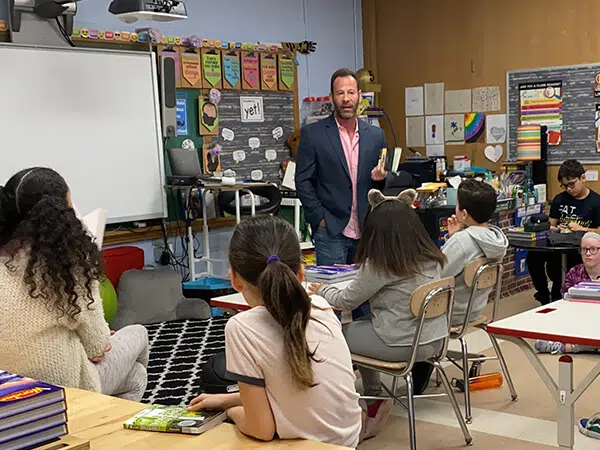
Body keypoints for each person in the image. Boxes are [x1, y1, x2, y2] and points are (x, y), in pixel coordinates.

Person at [188, 216, 382, 446]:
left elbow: (261, 429)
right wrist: (227, 400)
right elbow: (293, 390)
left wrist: (230, 413)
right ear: (301, 273)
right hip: (349, 441)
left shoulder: (241, 327)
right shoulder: (321, 307)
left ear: (234, 279)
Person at [0, 167, 149, 401]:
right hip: (63, 386)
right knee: (138, 334)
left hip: (8, 386)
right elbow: (97, 347)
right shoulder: (67, 262)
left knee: (135, 376)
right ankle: (95, 424)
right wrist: (97, 340)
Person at [308, 189, 448, 399]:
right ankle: (374, 395)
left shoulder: (381, 263)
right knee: (365, 321)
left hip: (401, 343)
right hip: (434, 339)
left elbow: (347, 301)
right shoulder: (431, 257)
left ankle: (373, 397)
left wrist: (322, 289)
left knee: (330, 334)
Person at [296, 68, 389, 267]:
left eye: (351, 92)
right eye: (340, 93)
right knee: (333, 293)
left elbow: (378, 188)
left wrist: (380, 179)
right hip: (330, 230)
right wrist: (319, 219)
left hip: (366, 231)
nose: (346, 98)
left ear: (359, 96)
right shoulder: (313, 135)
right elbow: (303, 182)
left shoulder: (375, 136)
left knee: (366, 294)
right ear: (331, 97)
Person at [527, 159, 600, 304]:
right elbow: (551, 224)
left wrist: (582, 229)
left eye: (572, 184)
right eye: (564, 186)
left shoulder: (596, 202)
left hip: (580, 247)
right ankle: (542, 292)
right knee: (533, 257)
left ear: (583, 178)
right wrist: (554, 228)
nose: (568, 189)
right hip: (558, 242)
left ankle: (557, 292)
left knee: (561, 271)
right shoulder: (559, 199)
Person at [442, 179, 508, 325]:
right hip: (473, 309)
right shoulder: (495, 238)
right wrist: (453, 237)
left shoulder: (462, 240)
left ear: (464, 214)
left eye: (457, 205)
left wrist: (454, 240)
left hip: (449, 312)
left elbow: (438, 274)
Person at [535, 231, 600, 354]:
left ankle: (567, 347)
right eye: (584, 250)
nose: (588, 254)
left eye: (593, 250)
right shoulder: (574, 272)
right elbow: (565, 302)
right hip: (579, 321)